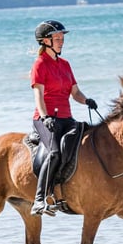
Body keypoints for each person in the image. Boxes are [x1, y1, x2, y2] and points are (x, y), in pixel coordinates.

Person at [30, 20, 97, 216]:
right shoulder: (40, 64)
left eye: (62, 38)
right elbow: (38, 95)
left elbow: (75, 92)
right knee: (54, 153)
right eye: (57, 38)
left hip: (67, 118)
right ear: (46, 41)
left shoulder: (65, 65)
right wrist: (45, 117)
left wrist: (86, 100)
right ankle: (39, 200)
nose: (61, 42)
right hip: (46, 119)